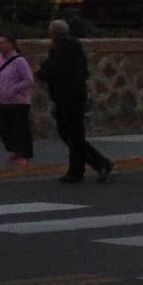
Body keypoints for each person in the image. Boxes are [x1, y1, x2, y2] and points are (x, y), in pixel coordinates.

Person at [38, 18, 113, 184]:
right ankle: (84, 168)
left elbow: (54, 70)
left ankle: (95, 165)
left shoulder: (66, 48)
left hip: (70, 97)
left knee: (74, 136)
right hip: (66, 97)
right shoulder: (66, 48)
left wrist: (42, 73)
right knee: (70, 135)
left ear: (56, 33)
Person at [0, 32, 34, 164]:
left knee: (19, 128)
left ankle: (24, 154)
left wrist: (13, 89)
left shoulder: (19, 61)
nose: (0, 45)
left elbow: (28, 79)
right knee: (4, 128)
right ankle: (15, 151)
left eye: (3, 42)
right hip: (2, 101)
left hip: (18, 101)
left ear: (11, 44)